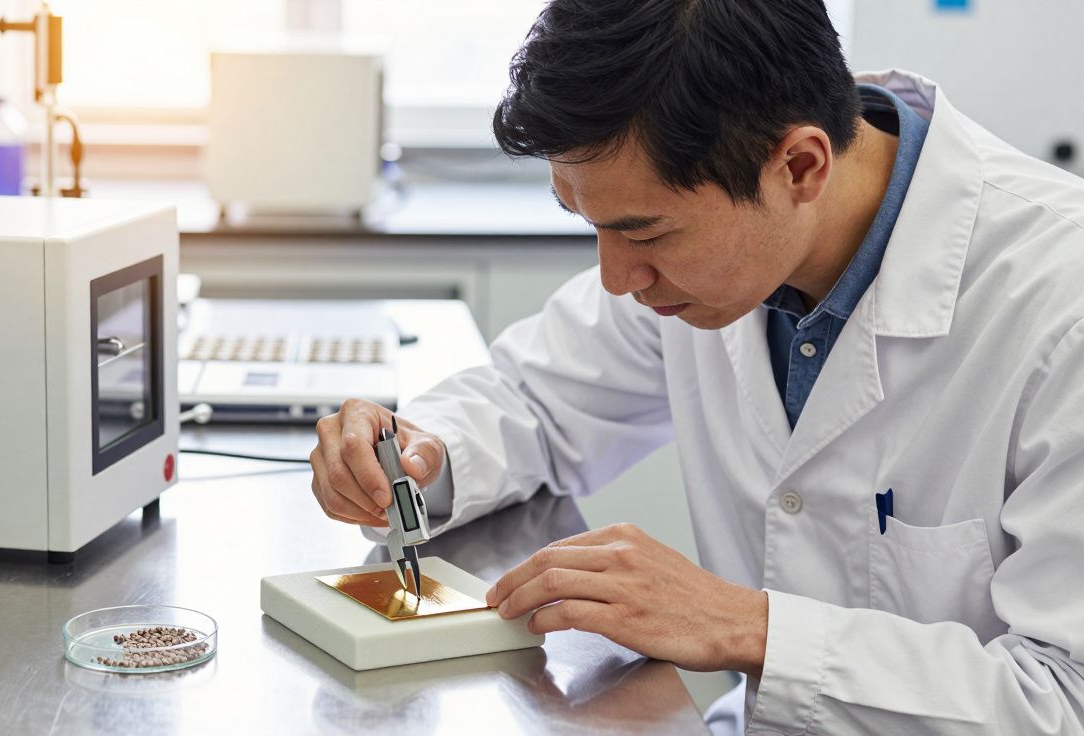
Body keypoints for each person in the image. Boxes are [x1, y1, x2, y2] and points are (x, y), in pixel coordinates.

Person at [307, 0, 1084, 732]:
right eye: (590, 225)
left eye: (644, 235)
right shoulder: (717, 250)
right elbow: (535, 400)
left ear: (802, 167)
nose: (615, 278)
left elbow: (1064, 698)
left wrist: (746, 627)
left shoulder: (1058, 310)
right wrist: (421, 456)